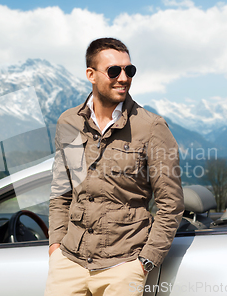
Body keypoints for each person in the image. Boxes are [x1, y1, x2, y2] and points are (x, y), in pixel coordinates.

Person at [45, 37, 184, 296]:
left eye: (129, 70)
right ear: (91, 74)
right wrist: (56, 246)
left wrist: (144, 262)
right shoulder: (68, 122)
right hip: (69, 262)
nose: (123, 77)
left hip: (124, 265)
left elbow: (171, 204)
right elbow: (61, 191)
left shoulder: (152, 127)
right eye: (114, 71)